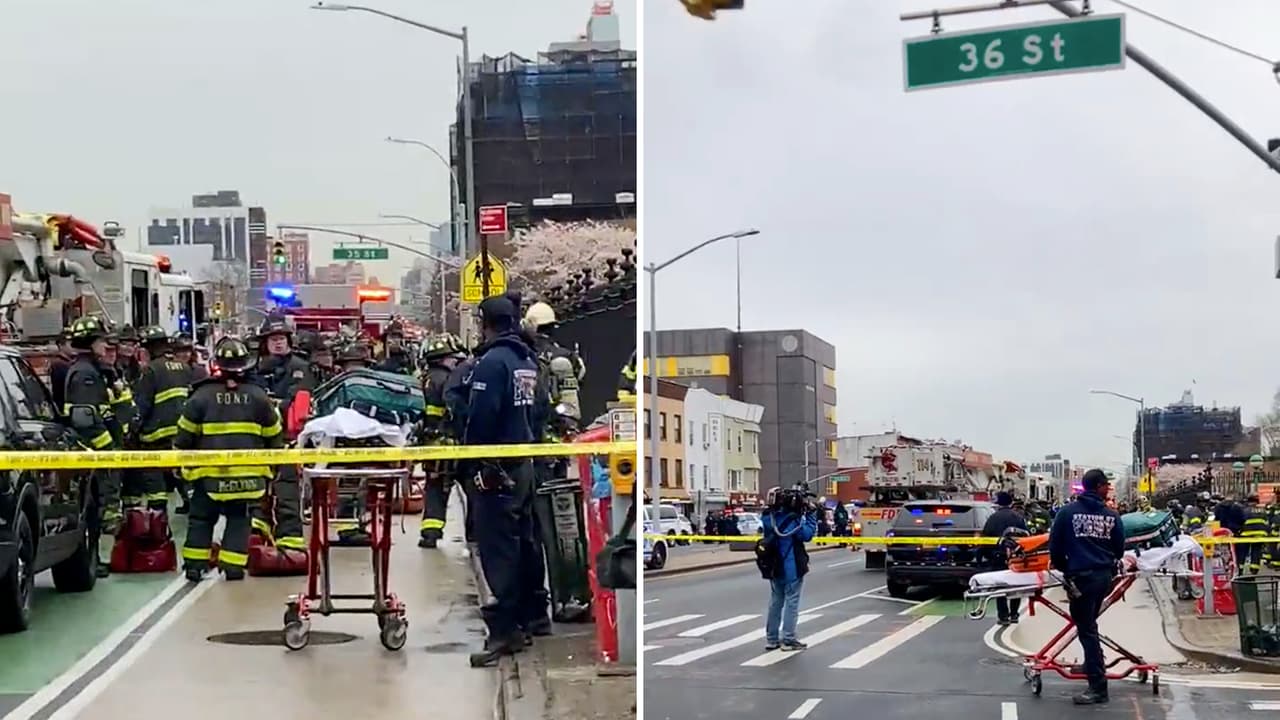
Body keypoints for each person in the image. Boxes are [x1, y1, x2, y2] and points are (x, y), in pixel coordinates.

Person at [465, 295, 550, 667]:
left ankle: (505, 631)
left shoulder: (492, 363)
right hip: (524, 462)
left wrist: (476, 462)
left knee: (498, 547)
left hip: (497, 465)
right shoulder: (527, 361)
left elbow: (481, 417)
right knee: (526, 541)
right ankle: (534, 615)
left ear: (487, 322)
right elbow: (541, 408)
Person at [176, 338, 283, 581]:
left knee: (201, 518)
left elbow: (184, 436)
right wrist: (274, 467)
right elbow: (274, 436)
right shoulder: (259, 396)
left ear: (218, 364)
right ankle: (233, 566)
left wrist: (179, 464)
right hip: (248, 476)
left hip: (208, 476)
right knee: (239, 519)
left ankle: (194, 565)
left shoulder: (200, 396)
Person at [1048, 468, 1125, 705]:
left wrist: (1064, 568)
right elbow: (1119, 549)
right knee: (1088, 626)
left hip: (1080, 579)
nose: (1108, 490)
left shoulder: (1066, 513)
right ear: (1099, 486)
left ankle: (1098, 687)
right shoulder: (1112, 516)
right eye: (1107, 486)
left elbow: (1055, 547)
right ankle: (1092, 665)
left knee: (1087, 630)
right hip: (1103, 578)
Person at [64, 316, 125, 579]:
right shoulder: (84, 374)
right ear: (90, 344)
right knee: (96, 507)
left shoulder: (91, 370)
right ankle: (93, 557)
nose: (105, 347)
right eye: (101, 341)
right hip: (93, 451)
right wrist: (106, 447)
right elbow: (86, 418)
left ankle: (96, 556)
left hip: (97, 449)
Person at [128, 327, 193, 515]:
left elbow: (143, 405)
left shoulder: (151, 371)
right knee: (182, 474)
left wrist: (133, 430)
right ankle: (191, 504)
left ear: (148, 349)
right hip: (180, 434)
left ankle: (159, 517)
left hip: (155, 437)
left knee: (155, 482)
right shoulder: (184, 367)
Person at [417, 333, 467, 548]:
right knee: (471, 489)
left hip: (432, 446)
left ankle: (430, 533)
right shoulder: (451, 379)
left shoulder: (423, 378)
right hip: (453, 443)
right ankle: (474, 535)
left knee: (435, 488)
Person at [760, 486, 817, 651]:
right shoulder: (792, 520)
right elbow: (806, 535)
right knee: (792, 602)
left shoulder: (768, 518)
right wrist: (811, 516)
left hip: (773, 566)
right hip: (790, 566)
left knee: (776, 602)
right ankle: (789, 639)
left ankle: (771, 639)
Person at [982, 491, 1028, 625]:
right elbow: (1026, 536)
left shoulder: (993, 518)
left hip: (997, 556)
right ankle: (1014, 614)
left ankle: (1003, 616)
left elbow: (986, 538)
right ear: (1011, 502)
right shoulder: (1018, 517)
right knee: (1016, 585)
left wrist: (986, 555)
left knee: (1000, 586)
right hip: (1015, 556)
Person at [1240, 494, 1269, 575]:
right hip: (1260, 535)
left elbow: (1240, 522)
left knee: (1243, 552)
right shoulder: (1262, 511)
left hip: (1246, 534)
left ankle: (1240, 568)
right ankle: (1254, 569)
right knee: (1256, 551)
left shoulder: (1244, 510)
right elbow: (1266, 523)